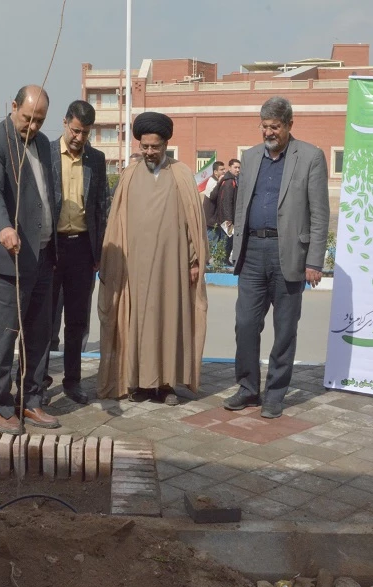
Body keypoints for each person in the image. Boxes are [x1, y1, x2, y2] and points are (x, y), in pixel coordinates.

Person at [226, 96, 329, 418]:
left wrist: (314, 261)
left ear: (289, 126)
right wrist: (236, 247)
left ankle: (275, 394)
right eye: (265, 126)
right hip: (253, 253)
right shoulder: (252, 156)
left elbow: (319, 214)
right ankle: (247, 388)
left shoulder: (310, 157)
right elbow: (243, 204)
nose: (269, 133)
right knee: (245, 324)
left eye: (275, 127)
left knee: (284, 330)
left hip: (290, 256)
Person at [97, 111, 208, 405]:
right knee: (137, 321)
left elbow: (192, 225)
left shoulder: (182, 175)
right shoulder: (129, 176)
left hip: (172, 266)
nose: (148, 152)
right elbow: (117, 222)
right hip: (135, 267)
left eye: (154, 146)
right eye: (144, 146)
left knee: (169, 320)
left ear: (165, 143)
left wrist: (194, 261)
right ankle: (138, 383)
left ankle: (166, 385)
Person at [0, 84, 60, 433]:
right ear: (12, 106)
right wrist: (2, 228)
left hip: (42, 256)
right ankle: (0, 403)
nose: (34, 127)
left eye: (40, 120)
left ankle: (32, 399)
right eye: (28, 119)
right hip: (8, 258)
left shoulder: (41, 143)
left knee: (39, 334)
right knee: (4, 334)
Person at [42, 100, 110, 404]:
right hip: (50, 248)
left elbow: (101, 207)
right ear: (65, 122)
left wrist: (99, 252)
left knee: (77, 322)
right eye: (75, 130)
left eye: (85, 133)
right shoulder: (45, 154)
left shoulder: (96, 159)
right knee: (44, 321)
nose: (79, 138)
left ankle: (72, 381)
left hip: (82, 249)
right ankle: (38, 381)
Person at [213, 158, 241, 263]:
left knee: (230, 240)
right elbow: (226, 201)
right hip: (227, 219)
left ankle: (224, 259)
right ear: (230, 168)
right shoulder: (229, 182)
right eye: (235, 167)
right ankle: (223, 260)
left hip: (228, 217)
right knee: (227, 240)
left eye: (239, 168)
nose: (237, 170)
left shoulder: (233, 180)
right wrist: (229, 219)